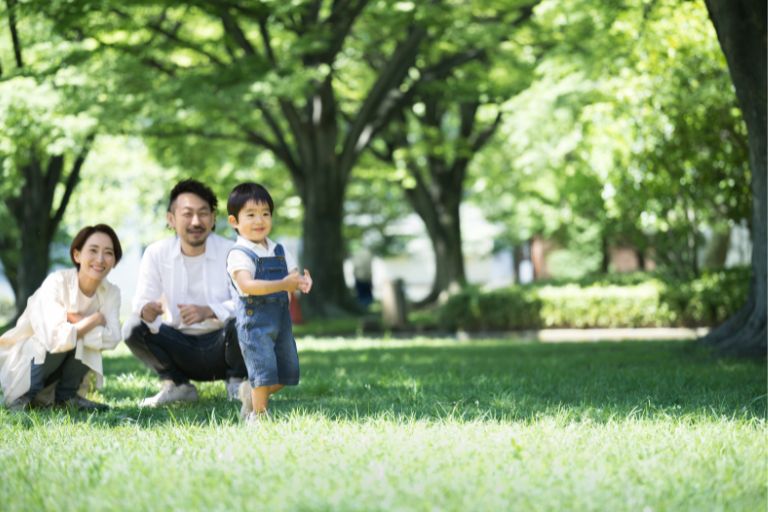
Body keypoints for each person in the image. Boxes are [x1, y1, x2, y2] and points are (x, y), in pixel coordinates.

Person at [123, 179, 247, 407]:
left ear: (213, 218)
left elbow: (245, 303)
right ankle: (178, 385)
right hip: (179, 345)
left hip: (224, 345)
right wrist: (146, 309)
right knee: (132, 327)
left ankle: (238, 384)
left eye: (203, 213)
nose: (196, 221)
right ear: (171, 219)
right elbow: (141, 301)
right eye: (187, 214)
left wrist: (208, 311)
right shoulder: (156, 253)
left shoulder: (232, 251)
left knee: (243, 321)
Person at [0, 224, 123, 411]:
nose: (100, 259)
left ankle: (66, 398)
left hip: (57, 376)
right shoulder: (56, 282)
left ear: (114, 261)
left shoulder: (111, 293)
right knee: (58, 340)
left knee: (77, 338)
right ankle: (21, 399)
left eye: (108, 252)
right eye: (93, 250)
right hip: (28, 367)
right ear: (77, 255)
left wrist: (74, 322)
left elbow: (113, 338)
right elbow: (54, 338)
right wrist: (93, 320)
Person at [226, 182, 312, 423]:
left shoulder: (279, 250)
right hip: (255, 324)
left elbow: (292, 277)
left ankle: (247, 392)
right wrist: (283, 285)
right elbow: (247, 285)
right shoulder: (239, 254)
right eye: (250, 215)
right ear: (234, 221)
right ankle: (259, 416)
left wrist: (301, 282)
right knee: (262, 372)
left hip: (281, 321)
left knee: (287, 373)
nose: (259, 220)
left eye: (265, 214)